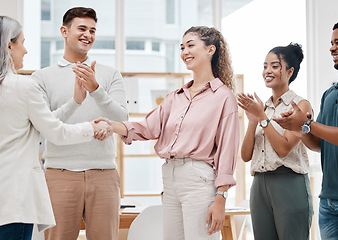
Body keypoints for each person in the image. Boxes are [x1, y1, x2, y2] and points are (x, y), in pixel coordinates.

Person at [97, 26, 239, 239]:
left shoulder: (223, 97)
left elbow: (227, 150)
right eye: (182, 47)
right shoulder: (175, 97)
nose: (185, 52)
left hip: (199, 180)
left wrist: (221, 197)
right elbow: (147, 127)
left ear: (211, 50)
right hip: (170, 180)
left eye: (191, 45)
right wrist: (112, 125)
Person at [0, 16, 112, 240]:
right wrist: (92, 126)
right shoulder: (24, 86)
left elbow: (41, 126)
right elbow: (56, 132)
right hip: (14, 197)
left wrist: (74, 103)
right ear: (9, 45)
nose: (26, 51)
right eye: (22, 43)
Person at [31, 7, 128, 240]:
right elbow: (46, 127)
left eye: (92, 30)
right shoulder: (42, 77)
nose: (88, 35)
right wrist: (76, 101)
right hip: (59, 174)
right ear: (64, 31)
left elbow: (122, 118)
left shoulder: (109, 74)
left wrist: (96, 90)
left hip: (104, 173)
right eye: (82, 28)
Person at [273, 18, 338, 240]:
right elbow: (321, 145)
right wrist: (301, 129)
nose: (332, 47)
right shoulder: (330, 94)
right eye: (331, 42)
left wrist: (310, 124)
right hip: (328, 201)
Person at [237, 43, 313, 240]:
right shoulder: (263, 108)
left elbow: (283, 149)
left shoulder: (300, 105)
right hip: (259, 186)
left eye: (274, 66)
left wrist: (262, 117)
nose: (267, 71)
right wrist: (253, 122)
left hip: (289, 183)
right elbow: (245, 156)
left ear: (289, 71)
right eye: (264, 66)